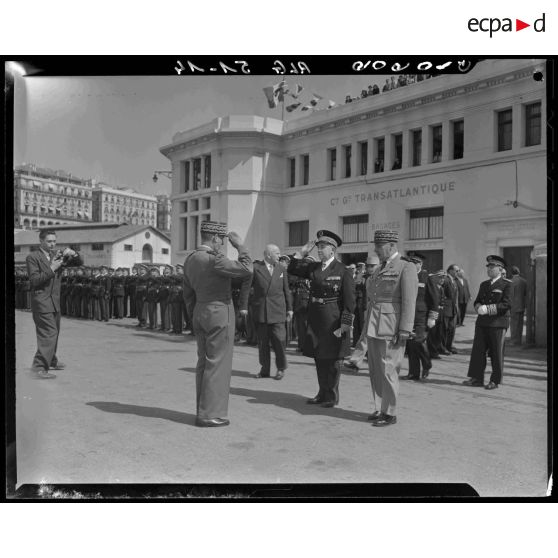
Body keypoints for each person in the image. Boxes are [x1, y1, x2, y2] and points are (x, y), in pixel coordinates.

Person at [183, 221, 253, 427]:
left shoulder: (191, 259)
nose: (223, 244)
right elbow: (247, 269)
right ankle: (210, 414)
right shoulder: (215, 259)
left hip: (200, 312)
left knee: (203, 364)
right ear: (214, 238)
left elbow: (188, 294)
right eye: (222, 240)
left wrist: (195, 316)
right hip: (219, 313)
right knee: (218, 365)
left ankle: (202, 409)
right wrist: (240, 246)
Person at [288, 230, 355, 408]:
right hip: (316, 318)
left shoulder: (343, 270)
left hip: (333, 319)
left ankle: (332, 396)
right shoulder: (315, 268)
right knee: (319, 357)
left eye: (323, 247)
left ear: (332, 250)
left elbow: (349, 301)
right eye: (318, 247)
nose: (319, 250)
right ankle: (322, 392)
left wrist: (346, 324)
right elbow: (292, 267)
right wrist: (302, 252)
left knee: (332, 359)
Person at [364, 230, 417, 426]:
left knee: (389, 369)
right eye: (376, 245)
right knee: (376, 369)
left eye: (379, 246)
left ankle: (390, 412)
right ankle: (380, 408)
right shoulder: (380, 268)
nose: (376, 249)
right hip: (374, 323)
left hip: (392, 326)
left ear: (392, 245)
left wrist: (405, 329)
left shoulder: (405, 267)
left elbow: (409, 301)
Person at [26, 229, 82, 379]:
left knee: (54, 332)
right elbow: (35, 280)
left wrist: (73, 253)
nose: (52, 244)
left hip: (54, 301)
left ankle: (50, 359)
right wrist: (52, 268)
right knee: (48, 333)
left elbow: (79, 263)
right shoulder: (33, 257)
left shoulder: (55, 255)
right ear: (41, 241)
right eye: (49, 241)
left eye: (54, 241)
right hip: (42, 301)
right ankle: (38, 368)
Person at [239, 244, 293, 380]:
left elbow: (286, 290)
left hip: (278, 310)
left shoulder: (281, 269)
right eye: (277, 253)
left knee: (279, 341)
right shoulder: (256, 268)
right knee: (263, 343)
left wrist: (290, 308)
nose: (279, 255)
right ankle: (265, 369)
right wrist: (243, 306)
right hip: (262, 310)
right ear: (268, 255)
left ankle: (281, 368)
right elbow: (246, 288)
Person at [463, 255, 512, 390]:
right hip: (482, 322)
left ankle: (495, 381)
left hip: (497, 323)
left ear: (500, 268)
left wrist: (488, 309)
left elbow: (506, 305)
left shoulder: (507, 284)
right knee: (478, 352)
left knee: (496, 353)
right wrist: (478, 307)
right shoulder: (484, 284)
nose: (489, 269)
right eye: (488, 267)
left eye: (492, 267)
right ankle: (476, 378)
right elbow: (477, 300)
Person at [402, 252, 439, 381]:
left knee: (418, 340)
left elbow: (434, 298)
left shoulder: (427, 277)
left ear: (421, 264)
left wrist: (432, 317)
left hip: (422, 315)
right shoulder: (406, 276)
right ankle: (413, 372)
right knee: (411, 344)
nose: (413, 265)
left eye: (415, 263)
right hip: (408, 315)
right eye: (411, 263)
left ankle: (427, 363)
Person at [441, 265, 460, 354]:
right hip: (446, 308)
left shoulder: (454, 281)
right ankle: (442, 347)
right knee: (444, 329)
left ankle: (449, 346)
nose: (457, 272)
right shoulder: (445, 279)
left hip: (453, 308)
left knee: (451, 329)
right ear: (450, 270)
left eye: (458, 271)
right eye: (456, 270)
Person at [510, 266, 528, 345]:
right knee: (520, 324)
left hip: (513, 306)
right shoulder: (524, 281)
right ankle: (519, 340)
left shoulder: (510, 282)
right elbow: (525, 294)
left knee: (513, 324)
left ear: (511, 273)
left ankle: (514, 341)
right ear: (519, 272)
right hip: (521, 305)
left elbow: (510, 295)